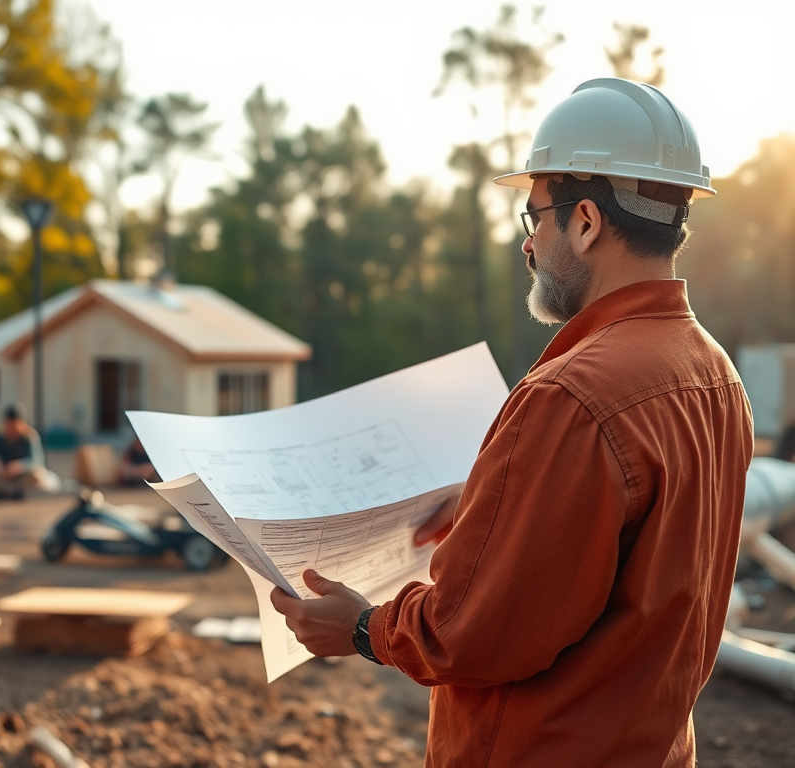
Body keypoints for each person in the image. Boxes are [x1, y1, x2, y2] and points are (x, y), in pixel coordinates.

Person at [270, 78, 754, 767]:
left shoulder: (573, 394)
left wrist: (360, 626)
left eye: (536, 219)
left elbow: (473, 634)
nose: (528, 247)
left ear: (585, 221)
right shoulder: (714, 376)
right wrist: (502, 505)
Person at [0, 403, 52, 500]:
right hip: (2, 475)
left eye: (15, 424)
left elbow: (38, 462)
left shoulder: (30, 436)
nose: (12, 428)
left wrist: (20, 466)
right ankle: (11, 491)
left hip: (20, 477)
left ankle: (1, 492)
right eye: (9, 424)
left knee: (37, 474)